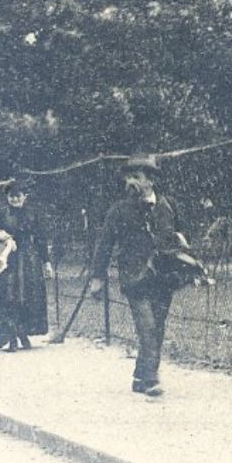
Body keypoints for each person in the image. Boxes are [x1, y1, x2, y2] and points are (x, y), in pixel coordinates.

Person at [88, 155, 195, 398]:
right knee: (147, 326)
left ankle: (140, 376)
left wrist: (184, 252)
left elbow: (182, 236)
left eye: (137, 177)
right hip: (134, 277)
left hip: (164, 276)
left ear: (151, 181)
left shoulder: (169, 206)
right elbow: (105, 243)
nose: (130, 182)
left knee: (157, 326)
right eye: (128, 177)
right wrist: (98, 276)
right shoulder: (119, 210)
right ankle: (150, 378)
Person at [0, 177, 54, 351]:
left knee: (28, 298)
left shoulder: (33, 214)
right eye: (11, 196)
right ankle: (12, 337)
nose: (15, 199)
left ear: (25, 196)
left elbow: (41, 239)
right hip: (7, 261)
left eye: (18, 195)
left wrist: (46, 262)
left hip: (29, 261)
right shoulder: (0, 214)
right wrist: (1, 237)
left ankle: (23, 334)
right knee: (8, 298)